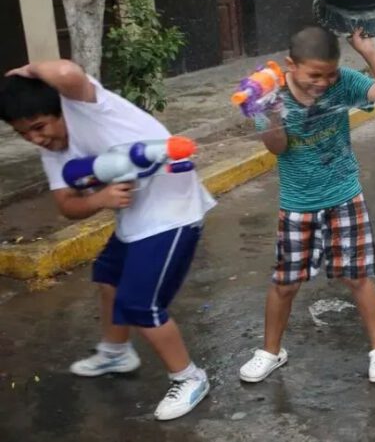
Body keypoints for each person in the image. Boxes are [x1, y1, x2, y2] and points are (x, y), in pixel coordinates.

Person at [0, 61, 217, 421]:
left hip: (172, 213)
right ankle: (116, 351)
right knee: (108, 276)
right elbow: (66, 205)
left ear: (59, 109)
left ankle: (190, 377)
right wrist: (99, 200)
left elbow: (68, 73)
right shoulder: (53, 151)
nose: (37, 139)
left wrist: (30, 69)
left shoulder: (86, 105)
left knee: (140, 304)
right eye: (25, 134)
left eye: (39, 127)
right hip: (133, 217)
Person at [238, 26, 375, 386]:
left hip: (344, 195)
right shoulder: (271, 92)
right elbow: (277, 148)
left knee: (357, 277)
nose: (323, 82)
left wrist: (370, 53)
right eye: (314, 75)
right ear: (290, 65)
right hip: (298, 204)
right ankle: (270, 352)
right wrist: (266, 113)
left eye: (329, 73)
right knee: (285, 283)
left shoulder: (343, 82)